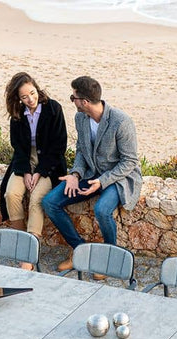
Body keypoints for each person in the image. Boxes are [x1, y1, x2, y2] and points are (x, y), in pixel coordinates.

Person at [42, 76, 142, 273]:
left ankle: (109, 258)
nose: (72, 101)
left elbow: (130, 161)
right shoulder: (80, 118)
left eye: (73, 98)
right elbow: (81, 149)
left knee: (102, 210)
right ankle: (80, 250)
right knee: (49, 202)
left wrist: (102, 181)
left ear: (85, 101)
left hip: (117, 178)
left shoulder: (121, 122)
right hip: (89, 173)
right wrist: (75, 174)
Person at [0, 72, 67, 268]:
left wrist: (38, 172)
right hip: (24, 162)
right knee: (11, 194)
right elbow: (17, 147)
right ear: (18, 99)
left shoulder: (53, 108)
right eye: (24, 97)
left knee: (37, 198)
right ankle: (22, 243)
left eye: (32, 93)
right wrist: (26, 172)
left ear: (37, 88)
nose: (30, 99)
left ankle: (29, 255)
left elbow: (59, 146)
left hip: (48, 164)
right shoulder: (17, 114)